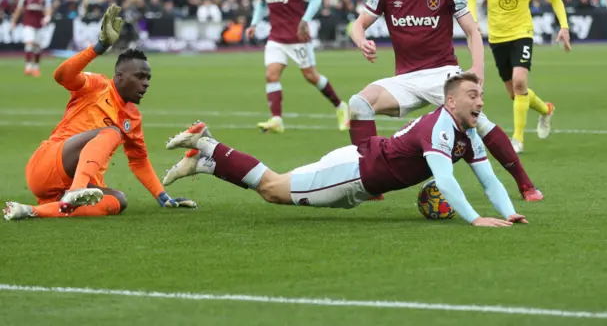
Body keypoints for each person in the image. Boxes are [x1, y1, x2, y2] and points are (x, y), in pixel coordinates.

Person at [163, 73, 528, 227]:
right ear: (451, 101)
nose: (480, 101)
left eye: (480, 95)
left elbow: (489, 179)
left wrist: (509, 212)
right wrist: (475, 218)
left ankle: (207, 164)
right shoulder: (439, 128)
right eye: (472, 95)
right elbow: (446, 181)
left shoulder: (466, 134)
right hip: (353, 173)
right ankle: (206, 142)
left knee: (276, 186)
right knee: (273, 189)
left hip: (360, 179)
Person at [347, 0, 543, 201]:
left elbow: (473, 32)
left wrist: (477, 70)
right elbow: (358, 25)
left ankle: (526, 185)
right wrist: (361, 41)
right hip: (405, 79)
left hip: (444, 74)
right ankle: (369, 182)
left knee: (479, 123)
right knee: (359, 104)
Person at [3, 5, 196, 221]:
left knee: (118, 201)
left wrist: (162, 197)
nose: (145, 83)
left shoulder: (133, 117)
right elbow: (61, 75)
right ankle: (75, 191)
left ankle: (32, 211)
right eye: (140, 77)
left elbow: (138, 161)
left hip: (73, 186)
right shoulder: (97, 85)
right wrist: (100, 46)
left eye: (148, 78)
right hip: (48, 165)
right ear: (119, 76)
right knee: (112, 133)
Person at [466, 0, 572, 154]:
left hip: (522, 32)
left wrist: (563, 26)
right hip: (497, 36)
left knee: (520, 82)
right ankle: (546, 110)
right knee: (516, 93)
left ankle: (518, 139)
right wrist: (472, 20)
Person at [245, 0, 349, 134]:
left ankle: (340, 106)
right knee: (271, 75)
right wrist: (253, 23)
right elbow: (261, 3)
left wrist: (305, 20)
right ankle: (277, 120)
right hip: (276, 37)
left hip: (297, 37)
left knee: (311, 76)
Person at [10, 0, 53, 77]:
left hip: (40, 25)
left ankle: (36, 67)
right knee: (29, 43)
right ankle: (28, 67)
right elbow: (19, 9)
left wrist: (47, 17)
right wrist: (13, 22)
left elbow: (48, 9)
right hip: (28, 24)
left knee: (37, 47)